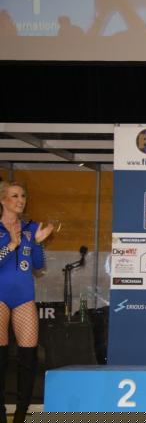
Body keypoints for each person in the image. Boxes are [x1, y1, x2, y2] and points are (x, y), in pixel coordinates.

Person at [0, 181, 53, 423]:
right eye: (14, 196)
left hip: (23, 296)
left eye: (23, 195)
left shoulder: (30, 228)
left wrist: (38, 243)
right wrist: (12, 244)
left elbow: (38, 266)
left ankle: (21, 415)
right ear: (3, 199)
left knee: (29, 358)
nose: (20, 200)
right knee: (1, 359)